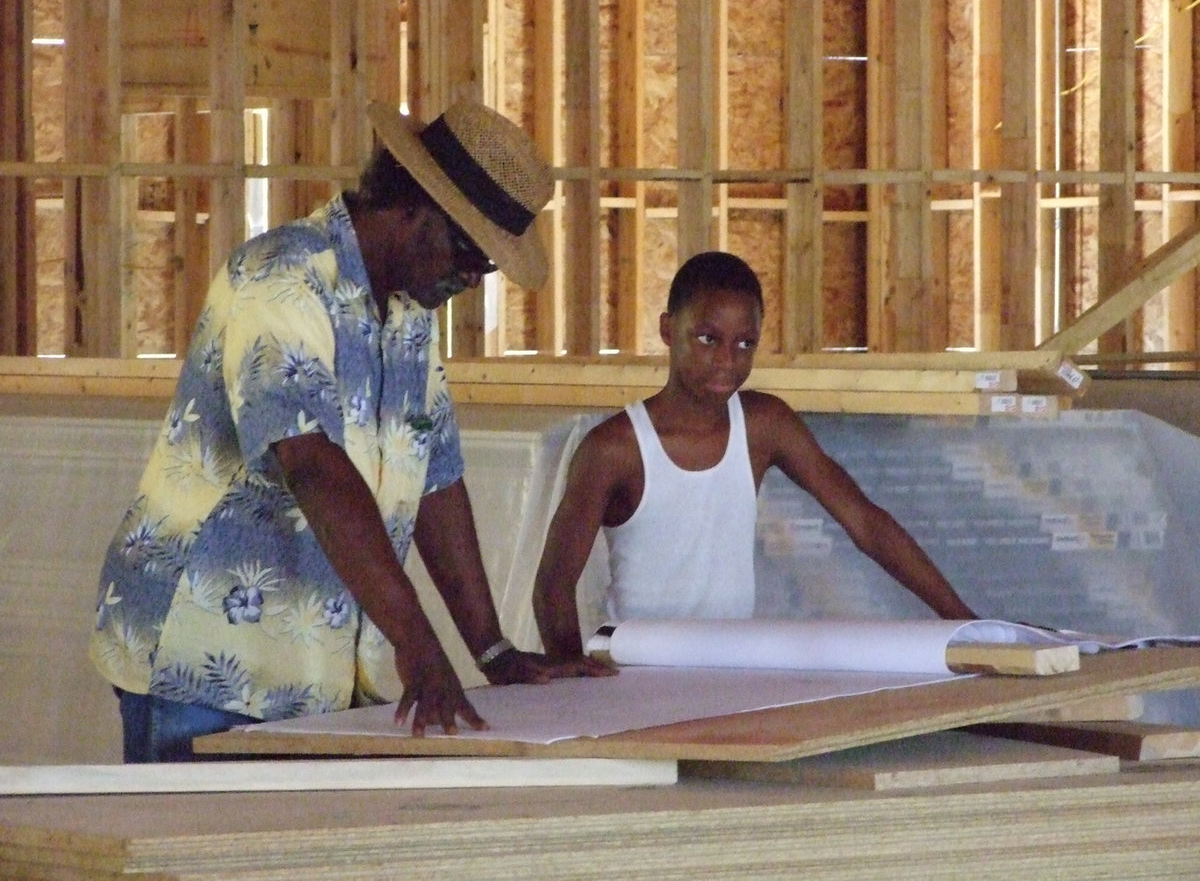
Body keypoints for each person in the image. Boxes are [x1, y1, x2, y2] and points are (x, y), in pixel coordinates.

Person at [92, 99, 600, 762]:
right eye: (470, 254)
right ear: (415, 207)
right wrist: (418, 643)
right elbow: (314, 468)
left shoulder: (410, 316)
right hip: (205, 655)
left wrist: (492, 650)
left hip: (313, 672)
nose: (472, 281)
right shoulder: (282, 280)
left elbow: (437, 478)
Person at [532, 250, 978, 662]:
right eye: (708, 338)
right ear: (668, 330)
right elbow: (553, 586)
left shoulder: (764, 424)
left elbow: (865, 523)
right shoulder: (614, 449)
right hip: (636, 668)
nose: (727, 360)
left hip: (732, 666)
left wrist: (965, 621)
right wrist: (575, 679)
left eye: (745, 344)